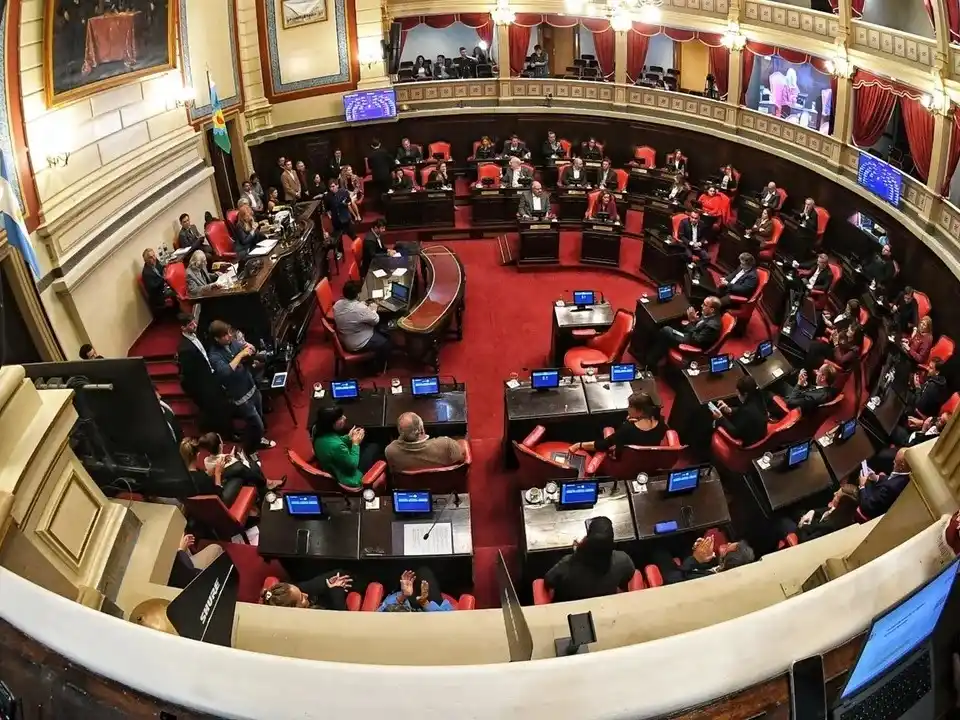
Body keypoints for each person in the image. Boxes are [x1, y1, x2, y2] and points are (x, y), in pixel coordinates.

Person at [208, 320, 275, 453]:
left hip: (251, 386)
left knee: (259, 416)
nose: (229, 337)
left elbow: (248, 350)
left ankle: (256, 436)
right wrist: (240, 354)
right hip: (240, 395)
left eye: (228, 333)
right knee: (257, 423)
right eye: (225, 335)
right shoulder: (214, 355)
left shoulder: (232, 343)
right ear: (217, 338)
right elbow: (226, 371)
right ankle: (253, 446)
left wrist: (250, 348)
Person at [541, 517, 636, 602]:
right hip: (603, 605)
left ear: (587, 539)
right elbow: (627, 576)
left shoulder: (568, 563)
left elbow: (549, 581)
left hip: (570, 607)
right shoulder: (623, 560)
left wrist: (577, 552)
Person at [176, 313, 231, 437]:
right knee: (218, 407)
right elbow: (190, 373)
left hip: (212, 373)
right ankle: (226, 433)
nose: (194, 325)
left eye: (194, 322)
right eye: (190, 325)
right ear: (183, 328)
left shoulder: (198, 334)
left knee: (224, 402)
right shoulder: (184, 349)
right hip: (204, 382)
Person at [569, 392, 666, 454]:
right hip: (649, 461)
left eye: (630, 407)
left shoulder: (627, 429)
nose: (628, 409)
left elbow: (604, 444)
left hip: (623, 464)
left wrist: (579, 445)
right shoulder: (661, 424)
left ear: (639, 411)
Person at [645, 297, 723, 371]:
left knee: (666, 331)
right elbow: (702, 323)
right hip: (691, 335)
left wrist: (692, 322)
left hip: (692, 343)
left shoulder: (712, 326)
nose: (702, 306)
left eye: (705, 305)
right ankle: (652, 361)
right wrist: (695, 320)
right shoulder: (711, 314)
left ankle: (650, 362)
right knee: (670, 329)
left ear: (712, 309)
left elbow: (696, 340)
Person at [197, 432, 284, 497]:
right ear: (220, 446)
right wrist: (241, 459)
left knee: (245, 463)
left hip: (225, 478)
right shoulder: (231, 462)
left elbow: (220, 462)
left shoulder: (206, 460)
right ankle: (266, 485)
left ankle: (266, 484)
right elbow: (242, 467)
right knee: (252, 466)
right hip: (229, 484)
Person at [312, 405, 382, 487]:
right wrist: (355, 443)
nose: (344, 418)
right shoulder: (337, 447)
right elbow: (352, 465)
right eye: (340, 418)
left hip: (335, 461)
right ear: (331, 423)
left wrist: (349, 437)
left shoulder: (317, 429)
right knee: (374, 446)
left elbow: (335, 440)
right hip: (350, 475)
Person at [332, 280, 391, 369]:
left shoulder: (337, 304)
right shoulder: (359, 309)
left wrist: (363, 306)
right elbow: (376, 320)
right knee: (386, 342)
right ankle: (377, 367)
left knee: (379, 329)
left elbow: (352, 312)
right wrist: (373, 309)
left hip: (346, 337)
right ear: (358, 295)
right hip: (358, 344)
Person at [654, 534, 755, 583]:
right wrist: (698, 549)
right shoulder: (721, 566)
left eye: (728, 547)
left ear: (726, 562)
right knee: (681, 539)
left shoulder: (708, 580)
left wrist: (695, 559)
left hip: (675, 578)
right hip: (689, 567)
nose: (728, 543)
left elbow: (674, 578)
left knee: (658, 548)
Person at [385, 412, 465, 472]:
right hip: (447, 488)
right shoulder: (446, 444)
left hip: (410, 490)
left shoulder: (390, 451)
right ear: (421, 430)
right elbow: (462, 459)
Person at [780, 485, 860, 544]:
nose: (834, 493)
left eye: (837, 496)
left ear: (841, 504)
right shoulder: (843, 513)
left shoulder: (830, 526)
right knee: (796, 508)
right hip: (811, 523)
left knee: (782, 520)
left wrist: (802, 525)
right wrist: (812, 512)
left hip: (803, 534)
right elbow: (827, 510)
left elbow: (806, 541)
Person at [179, 437, 244, 504]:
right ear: (198, 455)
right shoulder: (202, 478)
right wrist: (217, 474)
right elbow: (218, 495)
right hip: (218, 505)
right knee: (238, 477)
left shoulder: (180, 476)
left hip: (196, 507)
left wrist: (215, 469)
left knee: (236, 470)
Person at [711, 376, 768, 446]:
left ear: (745, 394)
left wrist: (720, 418)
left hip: (750, 441)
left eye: (738, 393)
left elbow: (735, 433)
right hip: (760, 431)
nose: (738, 395)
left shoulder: (747, 411)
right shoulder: (758, 396)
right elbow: (742, 410)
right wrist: (729, 410)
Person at [858, 449, 911, 519]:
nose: (893, 462)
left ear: (902, 466)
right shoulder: (906, 475)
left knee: (849, 489)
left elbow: (868, 506)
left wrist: (862, 486)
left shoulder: (891, 488)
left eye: (895, 461)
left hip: (872, 509)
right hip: (881, 496)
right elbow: (892, 479)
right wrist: (876, 477)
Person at [261, 573, 354, 610]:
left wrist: (328, 584)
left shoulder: (287, 595)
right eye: (302, 599)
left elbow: (307, 586)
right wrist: (336, 590)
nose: (306, 595)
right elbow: (342, 620)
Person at [378, 569, 453, 612]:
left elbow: (447, 621)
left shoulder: (440, 599)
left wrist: (425, 603)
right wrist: (402, 597)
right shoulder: (397, 597)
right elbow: (379, 616)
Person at [324, 179, 359, 256]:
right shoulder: (327, 196)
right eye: (330, 187)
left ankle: (359, 248)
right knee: (338, 239)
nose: (331, 188)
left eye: (333, 186)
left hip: (345, 217)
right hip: (336, 220)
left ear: (337, 185)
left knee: (352, 234)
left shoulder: (344, 192)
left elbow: (349, 201)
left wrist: (345, 203)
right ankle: (340, 252)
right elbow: (327, 209)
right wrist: (330, 216)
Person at [141, 248, 177, 313]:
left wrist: (166, 267)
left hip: (163, 286)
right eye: (150, 257)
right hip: (157, 294)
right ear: (146, 260)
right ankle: (177, 313)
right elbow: (154, 286)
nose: (154, 258)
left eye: (154, 255)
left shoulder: (155, 261)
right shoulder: (146, 273)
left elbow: (161, 268)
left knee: (177, 283)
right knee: (174, 292)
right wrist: (163, 278)